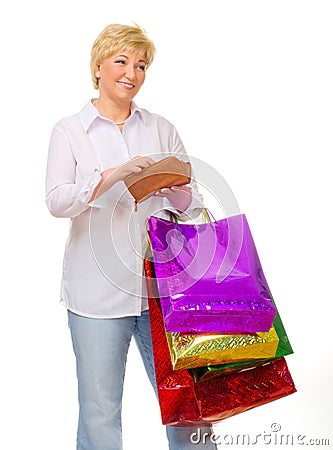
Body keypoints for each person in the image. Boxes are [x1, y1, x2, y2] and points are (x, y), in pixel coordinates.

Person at [46, 23, 218, 450]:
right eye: (121, 61)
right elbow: (56, 201)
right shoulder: (69, 131)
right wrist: (111, 177)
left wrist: (177, 191)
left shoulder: (161, 127)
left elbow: (190, 204)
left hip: (164, 293)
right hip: (97, 295)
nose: (132, 72)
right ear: (98, 67)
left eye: (141, 65)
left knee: (189, 407)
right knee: (100, 414)